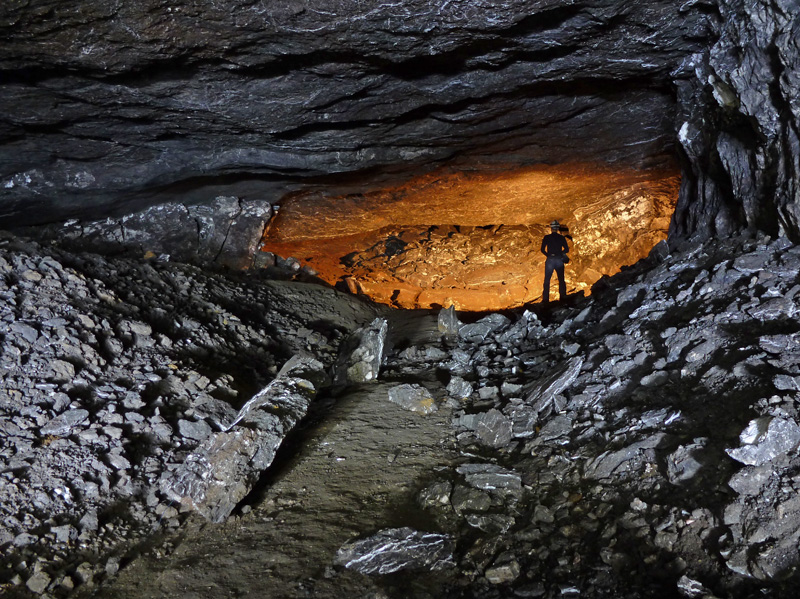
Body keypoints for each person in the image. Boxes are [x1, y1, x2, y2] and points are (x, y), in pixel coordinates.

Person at [541, 220, 570, 303]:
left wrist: (548, 255)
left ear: (551, 228)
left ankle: (545, 299)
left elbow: (542, 250)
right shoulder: (561, 238)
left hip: (550, 260)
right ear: (557, 228)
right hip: (559, 260)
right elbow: (567, 249)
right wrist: (560, 253)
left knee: (547, 280)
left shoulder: (547, 237)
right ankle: (563, 297)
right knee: (561, 279)